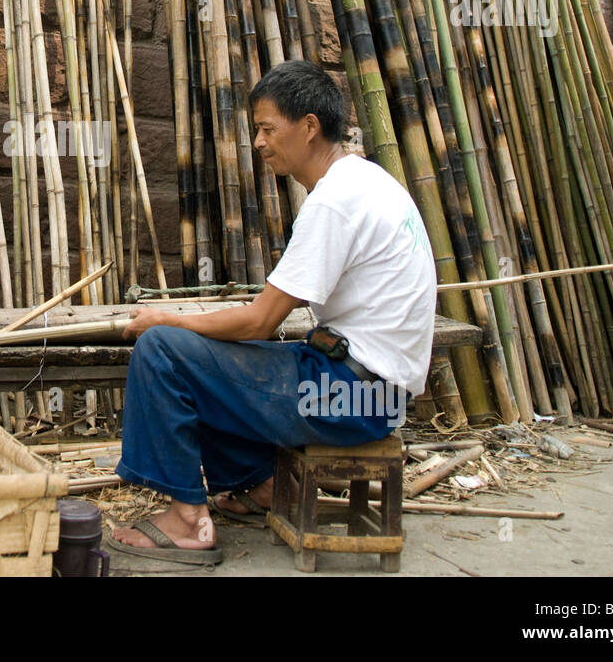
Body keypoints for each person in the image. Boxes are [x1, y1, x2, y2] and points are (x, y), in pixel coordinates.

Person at [107, 60, 437, 564]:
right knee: (214, 357)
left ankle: (187, 522)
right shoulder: (369, 181)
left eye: (266, 128)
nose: (259, 143)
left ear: (309, 127)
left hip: (345, 396)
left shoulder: (335, 201)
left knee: (164, 352)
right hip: (374, 396)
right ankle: (258, 485)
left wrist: (169, 318)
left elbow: (262, 319)